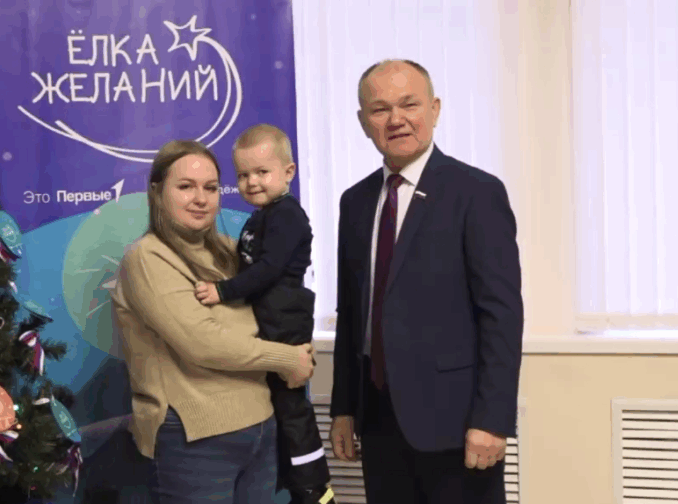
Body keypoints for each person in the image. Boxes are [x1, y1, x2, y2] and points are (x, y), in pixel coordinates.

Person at [329, 59, 524, 504]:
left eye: (409, 104)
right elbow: (352, 314)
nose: (395, 119)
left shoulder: (476, 192)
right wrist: (344, 408)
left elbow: (501, 315)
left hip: (457, 424)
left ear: (434, 109)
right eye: (380, 109)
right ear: (362, 121)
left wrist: (492, 420)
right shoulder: (354, 202)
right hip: (378, 421)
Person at [111, 139, 317, 504]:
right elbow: (204, 343)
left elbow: (270, 312)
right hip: (195, 439)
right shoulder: (147, 258)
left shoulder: (228, 250)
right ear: (157, 192)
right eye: (185, 187)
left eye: (210, 188)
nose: (201, 199)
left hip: (262, 425)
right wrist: (289, 358)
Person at [194, 124, 337, 504]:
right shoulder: (262, 216)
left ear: (288, 172)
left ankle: (313, 488)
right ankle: (292, 481)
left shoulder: (287, 214)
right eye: (243, 175)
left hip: (284, 315)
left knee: (290, 404)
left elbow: (268, 269)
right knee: (275, 402)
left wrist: (222, 291)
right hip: (269, 314)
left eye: (262, 172)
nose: (252, 182)